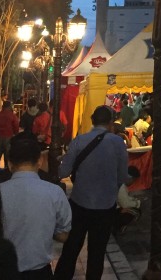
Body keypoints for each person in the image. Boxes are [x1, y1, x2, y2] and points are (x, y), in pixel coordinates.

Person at [54, 105, 130, 280]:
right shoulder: (118, 143)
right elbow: (122, 176)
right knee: (97, 254)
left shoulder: (80, 140)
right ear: (111, 122)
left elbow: (63, 173)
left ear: (92, 120)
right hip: (105, 207)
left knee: (71, 250)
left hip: (80, 204)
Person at [0, 136, 72, 278]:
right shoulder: (54, 192)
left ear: (9, 164)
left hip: (4, 271)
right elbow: (63, 235)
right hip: (39, 273)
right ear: (39, 161)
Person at [115, 166, 142, 234]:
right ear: (129, 178)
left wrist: (134, 199)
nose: (133, 182)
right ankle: (118, 226)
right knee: (136, 211)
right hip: (112, 212)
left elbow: (123, 198)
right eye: (134, 180)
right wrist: (138, 203)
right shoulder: (121, 187)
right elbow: (125, 204)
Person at [0, 101, 20, 168]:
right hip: (8, 137)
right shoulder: (12, 116)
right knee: (8, 157)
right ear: (9, 107)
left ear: (3, 107)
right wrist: (16, 134)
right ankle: (6, 172)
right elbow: (16, 126)